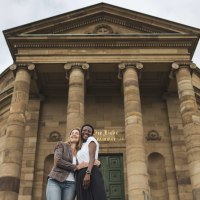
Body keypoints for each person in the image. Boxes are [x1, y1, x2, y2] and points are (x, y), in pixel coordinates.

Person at [46, 128, 86, 200]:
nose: (74, 134)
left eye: (76, 133)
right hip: (55, 180)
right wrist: (75, 167)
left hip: (71, 184)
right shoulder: (61, 145)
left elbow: (85, 164)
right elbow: (58, 161)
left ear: (80, 137)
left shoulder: (81, 152)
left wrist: (96, 161)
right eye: (72, 133)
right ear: (69, 136)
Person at [76, 124, 107, 200]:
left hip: (90, 172)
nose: (86, 132)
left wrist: (88, 174)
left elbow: (92, 157)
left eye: (89, 131)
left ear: (92, 134)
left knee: (97, 196)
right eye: (84, 130)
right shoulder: (81, 146)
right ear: (81, 132)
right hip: (80, 174)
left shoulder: (91, 140)